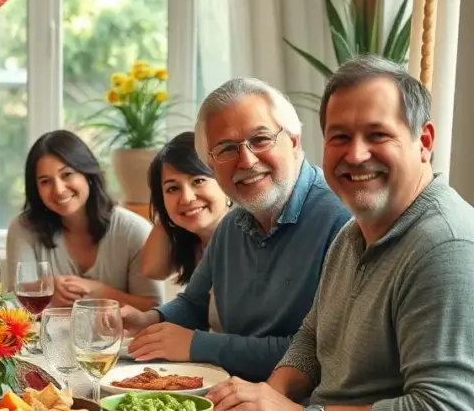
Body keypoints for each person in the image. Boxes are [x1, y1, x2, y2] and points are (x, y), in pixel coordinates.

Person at [208, 56, 474, 411]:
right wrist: (265, 398)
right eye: (340, 137)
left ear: (423, 140)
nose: (355, 155)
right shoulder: (355, 234)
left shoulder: (444, 246)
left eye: (377, 134)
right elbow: (311, 338)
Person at [121, 78, 352, 381]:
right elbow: (194, 304)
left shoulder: (342, 220)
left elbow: (320, 354)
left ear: (294, 140)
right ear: (211, 164)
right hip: (233, 393)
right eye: (227, 148)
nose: (247, 160)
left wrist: (198, 345)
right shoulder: (232, 224)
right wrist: (148, 320)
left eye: (260, 139)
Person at [5, 130, 166, 310]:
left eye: (67, 174)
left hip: (120, 338)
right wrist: (46, 290)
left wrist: (100, 292)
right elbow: (11, 305)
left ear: (87, 175)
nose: (58, 189)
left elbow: (154, 309)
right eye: (45, 181)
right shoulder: (23, 229)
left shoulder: (134, 230)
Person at [139, 131, 231, 330]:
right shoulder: (196, 242)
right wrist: (168, 213)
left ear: (225, 182)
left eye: (198, 180)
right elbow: (152, 269)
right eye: (172, 188)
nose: (187, 197)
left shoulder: (249, 236)